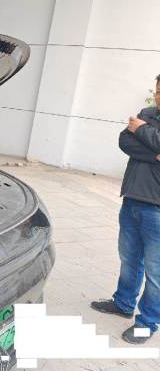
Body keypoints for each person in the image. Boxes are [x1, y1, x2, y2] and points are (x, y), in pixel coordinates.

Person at [90, 75, 160, 344]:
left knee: (156, 271)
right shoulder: (147, 113)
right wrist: (153, 153)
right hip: (132, 198)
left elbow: (136, 137)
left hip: (157, 208)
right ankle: (123, 303)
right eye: (158, 90)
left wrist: (140, 130)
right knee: (129, 258)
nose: (159, 96)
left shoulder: (142, 121)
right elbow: (124, 142)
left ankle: (147, 323)